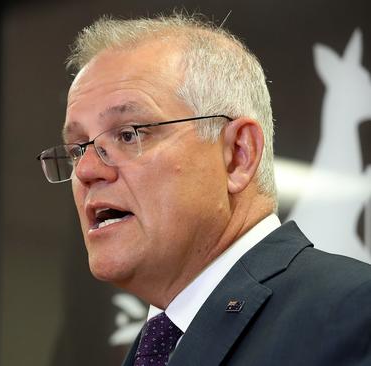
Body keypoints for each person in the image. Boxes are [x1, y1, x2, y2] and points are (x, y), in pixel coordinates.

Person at [36, 13, 371, 366]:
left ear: (238, 155)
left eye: (129, 134)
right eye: (77, 149)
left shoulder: (354, 314)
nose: (86, 170)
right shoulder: (152, 349)